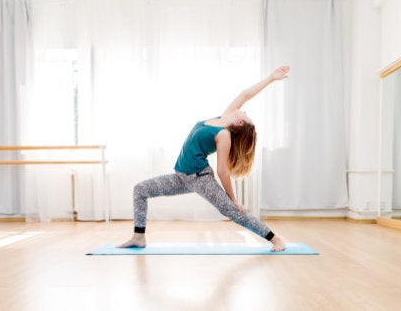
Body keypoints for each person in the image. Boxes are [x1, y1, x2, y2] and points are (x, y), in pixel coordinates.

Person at [118, 66, 291, 252]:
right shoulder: (224, 117)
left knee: (232, 212)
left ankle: (276, 240)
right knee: (141, 189)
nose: (244, 111)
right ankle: (138, 237)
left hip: (200, 178)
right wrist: (271, 78)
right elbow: (245, 94)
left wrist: (233, 199)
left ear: (240, 122)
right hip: (182, 176)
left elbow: (223, 171)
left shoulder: (224, 135)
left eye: (245, 115)